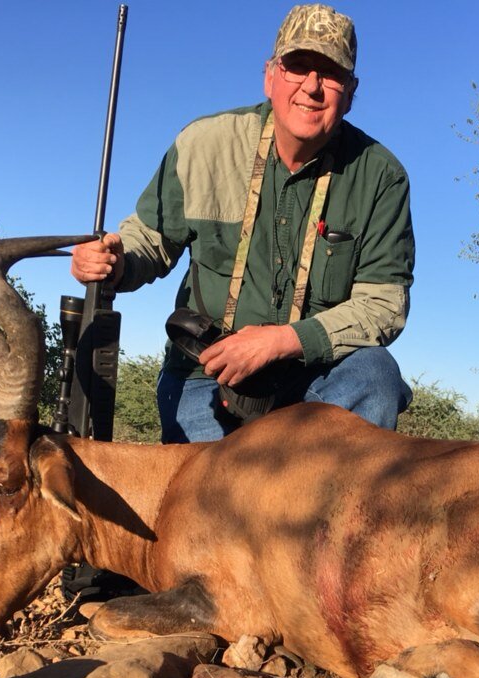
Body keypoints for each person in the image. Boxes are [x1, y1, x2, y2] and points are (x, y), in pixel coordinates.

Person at [70, 3, 414, 443]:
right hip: (206, 375)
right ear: (270, 75)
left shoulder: (382, 176)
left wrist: (280, 341)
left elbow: (384, 305)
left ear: (350, 92)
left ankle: (339, 504)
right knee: (220, 500)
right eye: (298, 65)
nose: (311, 86)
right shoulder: (205, 144)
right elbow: (149, 240)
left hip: (312, 381)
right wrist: (115, 261)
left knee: (375, 374)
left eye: (331, 74)